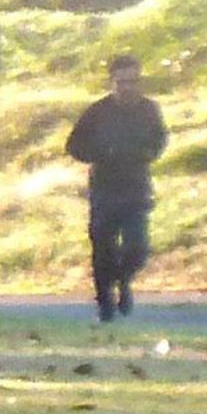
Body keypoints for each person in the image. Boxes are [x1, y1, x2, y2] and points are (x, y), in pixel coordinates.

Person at [63, 53, 166, 323]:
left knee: (138, 248)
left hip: (135, 188)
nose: (127, 87)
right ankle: (105, 302)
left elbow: (160, 140)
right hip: (105, 190)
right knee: (103, 249)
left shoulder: (149, 110)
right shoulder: (97, 112)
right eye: (121, 82)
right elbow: (74, 146)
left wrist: (146, 153)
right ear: (112, 82)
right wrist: (102, 153)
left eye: (132, 81)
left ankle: (123, 281)